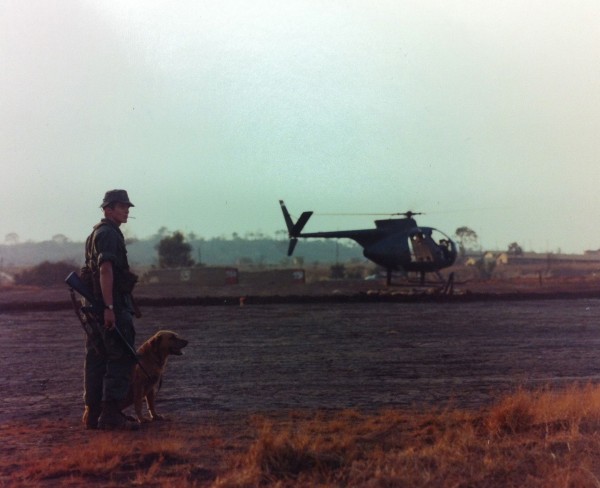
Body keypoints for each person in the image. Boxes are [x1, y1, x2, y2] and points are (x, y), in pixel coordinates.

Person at [81, 189, 139, 430]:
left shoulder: (97, 232)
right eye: (121, 206)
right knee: (120, 356)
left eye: (127, 206)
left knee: (97, 358)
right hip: (107, 306)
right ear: (108, 209)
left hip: (95, 307)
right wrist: (109, 307)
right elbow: (105, 270)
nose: (126, 210)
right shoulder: (108, 235)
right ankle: (111, 415)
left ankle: (93, 414)